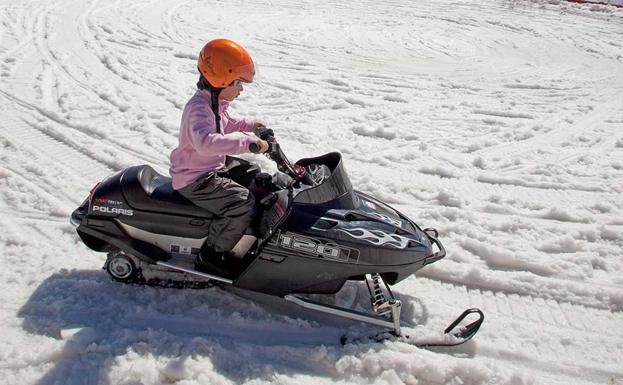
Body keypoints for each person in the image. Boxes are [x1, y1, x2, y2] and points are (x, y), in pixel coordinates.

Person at [169, 38, 269, 275]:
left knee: (254, 175)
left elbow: (226, 123)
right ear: (221, 79)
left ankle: (253, 235)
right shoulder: (198, 109)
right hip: (195, 179)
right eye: (238, 83)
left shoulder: (213, 103)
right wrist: (250, 144)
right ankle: (212, 255)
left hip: (210, 167)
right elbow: (206, 142)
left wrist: (251, 124)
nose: (241, 90)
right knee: (242, 203)